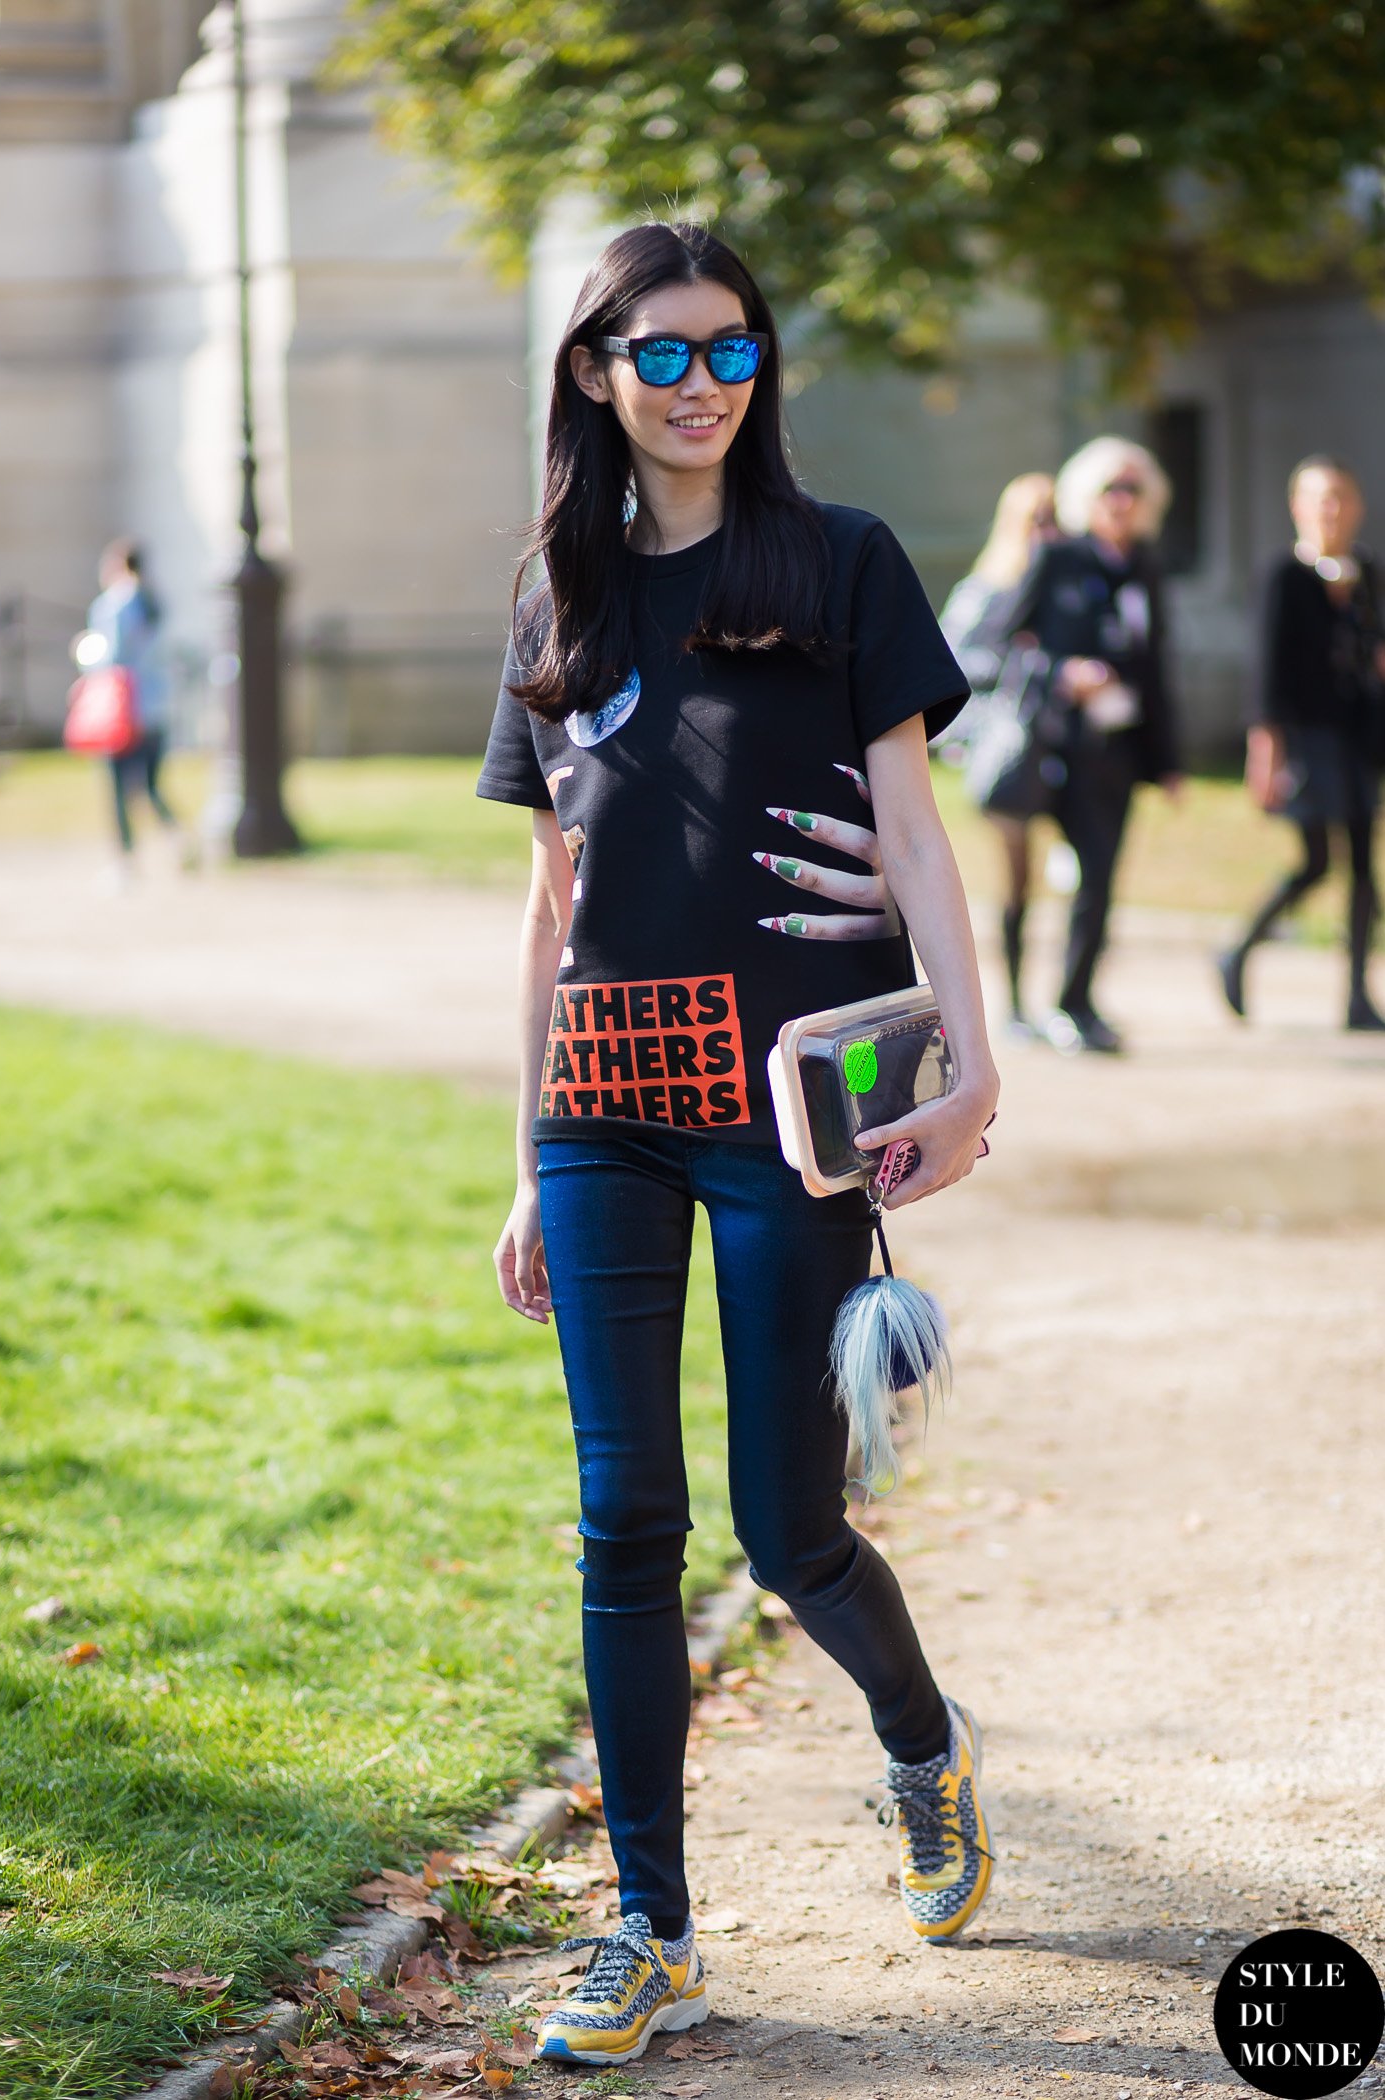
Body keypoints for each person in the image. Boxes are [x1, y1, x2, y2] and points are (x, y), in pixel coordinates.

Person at [476, 222, 1000, 2069]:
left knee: (789, 1531)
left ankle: (924, 1748)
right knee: (626, 1525)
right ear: (596, 373)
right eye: (662, 352)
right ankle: (650, 1926)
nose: (701, 384)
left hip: (789, 1117)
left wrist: (973, 1064)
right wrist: (526, 1156)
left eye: (731, 350)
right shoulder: (557, 592)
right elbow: (553, 901)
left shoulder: (838, 561)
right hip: (604, 1118)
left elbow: (915, 834)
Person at [993, 436, 1182, 1053]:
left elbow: (1156, 668)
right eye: (1110, 489)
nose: (1122, 502)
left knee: (1100, 877)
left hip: (1118, 751)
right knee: (1050, 874)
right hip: (1055, 748)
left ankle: (1076, 1001)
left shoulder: (1146, 566)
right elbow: (1001, 643)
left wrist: (1169, 761)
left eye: (1134, 490)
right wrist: (1063, 673)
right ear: (1085, 495)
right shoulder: (1058, 558)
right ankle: (1036, 1004)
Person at [1217, 456, 1385, 1031]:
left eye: (1342, 497)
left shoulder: (1365, 572)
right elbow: (1265, 672)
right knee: (1316, 862)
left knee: (1365, 865)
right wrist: (1266, 749)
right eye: (1321, 498)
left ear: (1357, 507)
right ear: (1299, 507)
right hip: (1307, 736)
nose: (1332, 509)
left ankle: (1358, 996)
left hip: (1358, 737)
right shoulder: (1283, 574)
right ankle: (1238, 950)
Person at [939, 473, 1059, 1032]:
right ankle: (1012, 1003)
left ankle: (1063, 999)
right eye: (1036, 518)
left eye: (1053, 517)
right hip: (1008, 752)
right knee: (1017, 882)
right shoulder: (986, 588)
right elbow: (952, 666)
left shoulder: (1066, 588)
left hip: (1063, 752)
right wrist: (1015, 660)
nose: (1046, 530)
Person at [86, 539, 177, 860]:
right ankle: (176, 838)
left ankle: (124, 858)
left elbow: (111, 658)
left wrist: (83, 653)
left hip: (123, 710)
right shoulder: (154, 601)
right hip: (157, 706)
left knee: (118, 788)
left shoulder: (114, 604)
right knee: (151, 786)